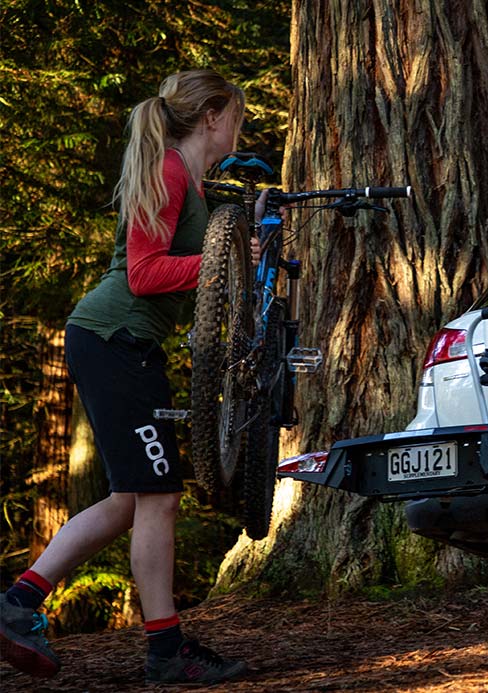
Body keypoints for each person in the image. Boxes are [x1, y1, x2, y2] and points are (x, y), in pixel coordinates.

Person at [0, 69, 266, 685]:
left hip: (123, 345)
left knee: (130, 500)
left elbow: (194, 255)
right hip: (113, 338)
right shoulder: (170, 169)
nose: (240, 127)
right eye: (238, 116)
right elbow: (146, 274)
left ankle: (19, 603)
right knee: (159, 496)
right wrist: (219, 263)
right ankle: (165, 650)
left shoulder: (190, 180)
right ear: (212, 115)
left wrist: (239, 238)